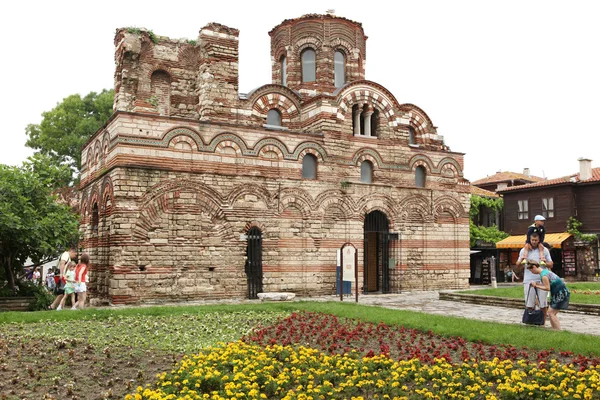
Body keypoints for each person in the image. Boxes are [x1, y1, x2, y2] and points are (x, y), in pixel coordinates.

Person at [516, 232, 553, 323]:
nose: (534, 242)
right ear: (530, 239)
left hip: (541, 278)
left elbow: (551, 264)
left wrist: (544, 262)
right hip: (529, 279)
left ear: (539, 240)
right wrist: (521, 261)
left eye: (536, 240)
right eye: (532, 240)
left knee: (542, 303)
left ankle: (542, 322)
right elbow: (517, 265)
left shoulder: (544, 250)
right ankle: (530, 321)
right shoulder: (524, 250)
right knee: (529, 303)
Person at [527, 261, 570, 330]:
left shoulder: (543, 275)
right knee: (551, 313)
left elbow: (547, 288)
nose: (531, 272)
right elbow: (547, 284)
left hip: (560, 294)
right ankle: (555, 329)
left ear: (534, 267)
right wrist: (537, 284)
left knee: (551, 313)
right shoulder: (545, 271)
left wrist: (536, 286)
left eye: (531, 270)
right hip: (560, 293)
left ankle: (558, 330)